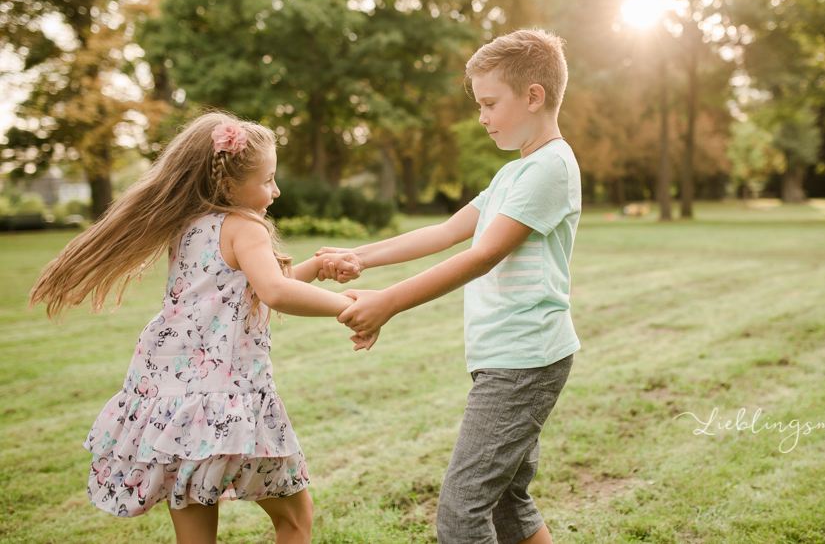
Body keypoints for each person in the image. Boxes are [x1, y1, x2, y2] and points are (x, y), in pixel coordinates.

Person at [30, 113, 368, 544]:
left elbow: (240, 289)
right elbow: (275, 292)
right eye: (268, 180)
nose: (276, 191)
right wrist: (349, 307)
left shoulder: (189, 226)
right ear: (229, 184)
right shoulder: (245, 226)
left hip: (177, 403)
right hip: (228, 398)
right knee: (296, 518)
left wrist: (317, 268)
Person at [317, 29, 581, 544]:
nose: (481, 117)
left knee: (461, 515)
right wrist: (360, 258)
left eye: (489, 103)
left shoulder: (550, 168)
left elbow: (482, 256)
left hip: (525, 357)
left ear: (533, 96)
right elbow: (443, 232)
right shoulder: (515, 173)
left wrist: (389, 302)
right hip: (508, 353)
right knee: (509, 502)